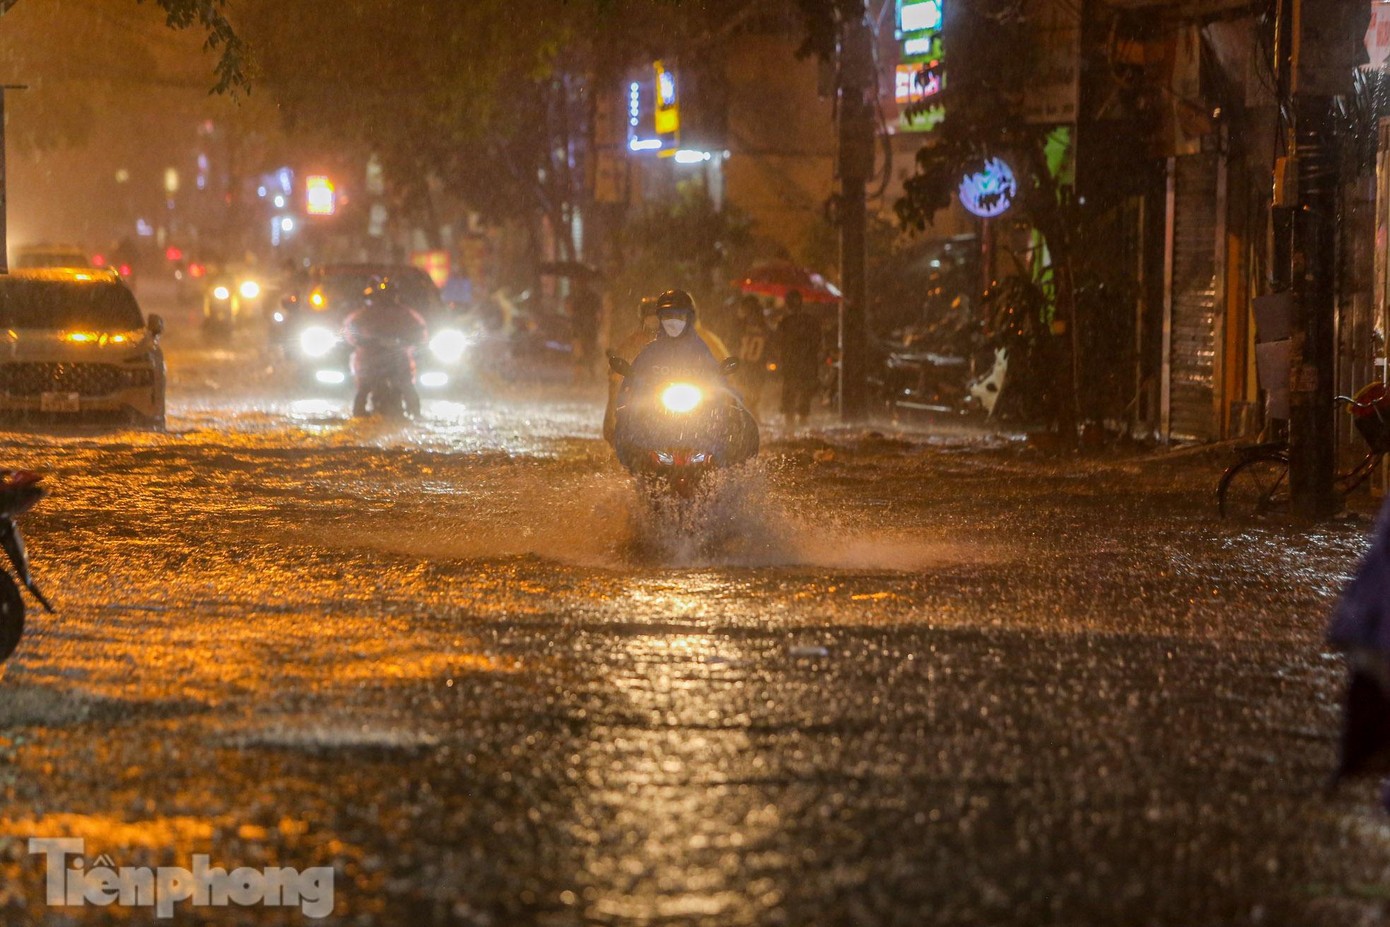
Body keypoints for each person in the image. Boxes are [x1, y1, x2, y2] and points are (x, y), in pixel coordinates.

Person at [612, 289, 757, 469]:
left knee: (735, 415)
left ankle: (726, 467)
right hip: (657, 419)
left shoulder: (700, 349)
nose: (673, 322)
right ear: (660, 319)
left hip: (697, 419)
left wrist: (723, 395)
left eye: (679, 317)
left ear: (689, 318)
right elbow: (630, 388)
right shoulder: (650, 352)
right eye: (667, 316)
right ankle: (640, 468)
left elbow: (718, 382)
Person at [602, 294, 734, 445]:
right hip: (654, 391)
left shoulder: (697, 339)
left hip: (691, 389)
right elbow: (620, 370)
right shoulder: (634, 341)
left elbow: (720, 364)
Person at [342, 277, 428, 418]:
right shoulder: (364, 315)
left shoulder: (405, 314)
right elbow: (351, 331)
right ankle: (359, 413)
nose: (385, 299)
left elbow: (419, 333)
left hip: (395, 358)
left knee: (405, 385)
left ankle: (415, 413)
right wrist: (365, 342)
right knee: (364, 388)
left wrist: (405, 341)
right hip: (371, 359)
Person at [775, 289, 822, 427]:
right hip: (807, 364)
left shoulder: (785, 322)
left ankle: (792, 423)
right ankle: (801, 420)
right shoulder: (811, 321)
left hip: (792, 364)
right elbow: (817, 342)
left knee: (790, 395)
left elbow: (778, 344)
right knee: (804, 398)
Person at [732, 294, 771, 419]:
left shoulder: (739, 325)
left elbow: (731, 343)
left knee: (745, 401)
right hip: (758, 368)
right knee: (752, 401)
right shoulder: (765, 326)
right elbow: (770, 348)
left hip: (744, 367)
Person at [568, 279, 603, 382]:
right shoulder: (592, 296)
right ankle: (591, 374)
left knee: (580, 352)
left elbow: (572, 312)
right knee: (589, 351)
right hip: (590, 328)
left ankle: (580, 376)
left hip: (581, 328)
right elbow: (598, 313)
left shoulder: (577, 297)